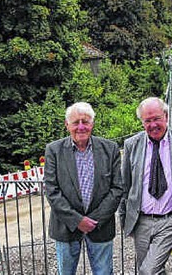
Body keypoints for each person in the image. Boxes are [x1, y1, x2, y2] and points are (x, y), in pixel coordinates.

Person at [44, 102, 123, 275]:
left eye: (85, 122)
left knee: (104, 272)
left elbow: (117, 188)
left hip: (100, 226)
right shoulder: (54, 150)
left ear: (92, 123)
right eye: (75, 122)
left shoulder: (110, 149)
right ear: (67, 125)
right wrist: (77, 220)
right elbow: (51, 190)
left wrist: (94, 220)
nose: (81, 127)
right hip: (66, 227)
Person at [119, 97, 172, 274]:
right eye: (148, 120)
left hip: (170, 220)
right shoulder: (132, 145)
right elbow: (125, 185)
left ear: (166, 116)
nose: (153, 124)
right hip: (141, 221)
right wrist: (124, 218)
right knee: (151, 269)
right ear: (142, 122)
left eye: (157, 118)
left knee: (148, 271)